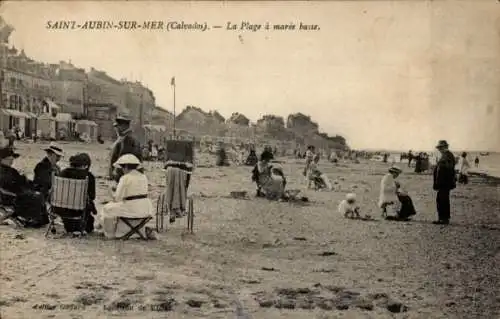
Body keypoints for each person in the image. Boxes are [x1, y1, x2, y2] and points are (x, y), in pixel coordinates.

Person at [98, 154, 155, 239]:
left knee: (107, 208)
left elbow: (117, 198)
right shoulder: (143, 177)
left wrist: (110, 191)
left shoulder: (125, 178)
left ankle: (109, 233)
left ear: (125, 167)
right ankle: (133, 231)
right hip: (146, 208)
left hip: (132, 208)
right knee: (112, 207)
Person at [0, 147, 48, 227]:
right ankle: (33, 219)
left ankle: (37, 219)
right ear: (2, 159)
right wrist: (23, 179)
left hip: (9, 194)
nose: (12, 161)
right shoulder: (5, 171)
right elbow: (10, 183)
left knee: (37, 193)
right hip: (11, 196)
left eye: (12, 159)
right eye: (10, 159)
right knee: (37, 196)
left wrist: (23, 179)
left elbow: (15, 181)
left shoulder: (8, 170)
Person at [57, 153, 96, 234]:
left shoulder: (62, 173)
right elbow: (92, 196)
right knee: (90, 224)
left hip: (61, 209)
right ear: (85, 165)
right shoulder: (89, 176)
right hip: (80, 211)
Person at [108, 115, 143, 183]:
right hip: (126, 176)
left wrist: (117, 174)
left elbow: (124, 160)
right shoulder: (124, 138)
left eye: (118, 126)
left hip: (125, 176)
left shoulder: (128, 139)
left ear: (124, 126)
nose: (116, 129)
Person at [433, 140, 456, 225]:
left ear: (445, 147)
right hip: (442, 182)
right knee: (441, 199)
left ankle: (444, 219)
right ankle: (442, 218)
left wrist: (441, 165)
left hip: (445, 183)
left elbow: (449, 168)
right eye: (439, 148)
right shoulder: (445, 155)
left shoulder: (448, 155)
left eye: (441, 148)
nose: (439, 149)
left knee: (443, 200)